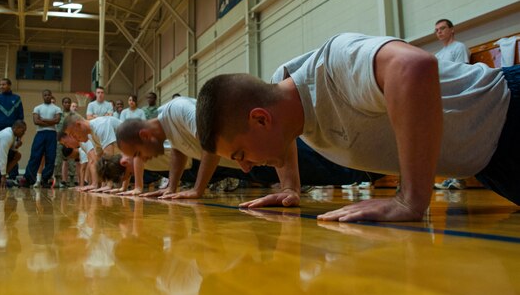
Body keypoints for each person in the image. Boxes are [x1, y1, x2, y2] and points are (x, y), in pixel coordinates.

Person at [195, 32, 519, 222]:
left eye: (239, 153)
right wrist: (289, 188)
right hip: (490, 164)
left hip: (510, 110)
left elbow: (413, 66)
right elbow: (286, 137)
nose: (245, 167)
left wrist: (410, 199)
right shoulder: (286, 104)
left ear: (260, 118)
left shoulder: (334, 63)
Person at [115, 97, 374, 197]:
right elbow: (180, 154)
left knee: (329, 165)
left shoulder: (178, 108)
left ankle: (379, 170)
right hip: (249, 164)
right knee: (327, 171)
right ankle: (376, 172)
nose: (143, 160)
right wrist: (170, 188)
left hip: (264, 149)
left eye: (138, 153)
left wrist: (197, 190)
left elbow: (212, 143)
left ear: (145, 135)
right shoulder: (166, 125)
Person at [433, 19, 471, 190]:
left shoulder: (459, 48)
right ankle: (451, 177)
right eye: (437, 30)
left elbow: (463, 71)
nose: (439, 32)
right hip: (443, 98)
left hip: (457, 96)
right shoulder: (438, 55)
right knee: (447, 139)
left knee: (458, 137)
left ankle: (459, 178)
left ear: (452, 30)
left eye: (442, 28)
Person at [58, 113, 121, 190]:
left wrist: (108, 185)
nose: (74, 137)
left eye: (72, 134)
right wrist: (101, 185)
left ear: (78, 124)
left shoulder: (100, 125)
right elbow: (98, 159)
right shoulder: (91, 135)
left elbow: (108, 155)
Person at [0, 78, 23, 179]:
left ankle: (13, 176)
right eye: (0, 85)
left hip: (13, 130)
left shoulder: (17, 98)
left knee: (12, 153)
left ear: (10, 85)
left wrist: (19, 137)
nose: (1, 86)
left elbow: (20, 116)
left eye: (4, 84)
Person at [24, 90, 61, 187]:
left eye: (49, 95)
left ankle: (45, 179)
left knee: (51, 157)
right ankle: (29, 179)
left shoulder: (57, 108)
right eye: (45, 95)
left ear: (51, 96)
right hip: (40, 133)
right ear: (42, 96)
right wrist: (50, 122)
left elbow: (57, 120)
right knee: (35, 156)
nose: (47, 96)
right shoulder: (37, 108)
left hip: (52, 134)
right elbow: (36, 121)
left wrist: (43, 119)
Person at [54, 97, 76, 187]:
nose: (67, 104)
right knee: (58, 161)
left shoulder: (74, 115)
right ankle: (58, 180)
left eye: (68, 102)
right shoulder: (59, 114)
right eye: (65, 102)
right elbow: (56, 127)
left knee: (71, 161)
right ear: (62, 103)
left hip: (70, 140)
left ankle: (71, 180)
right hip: (61, 140)